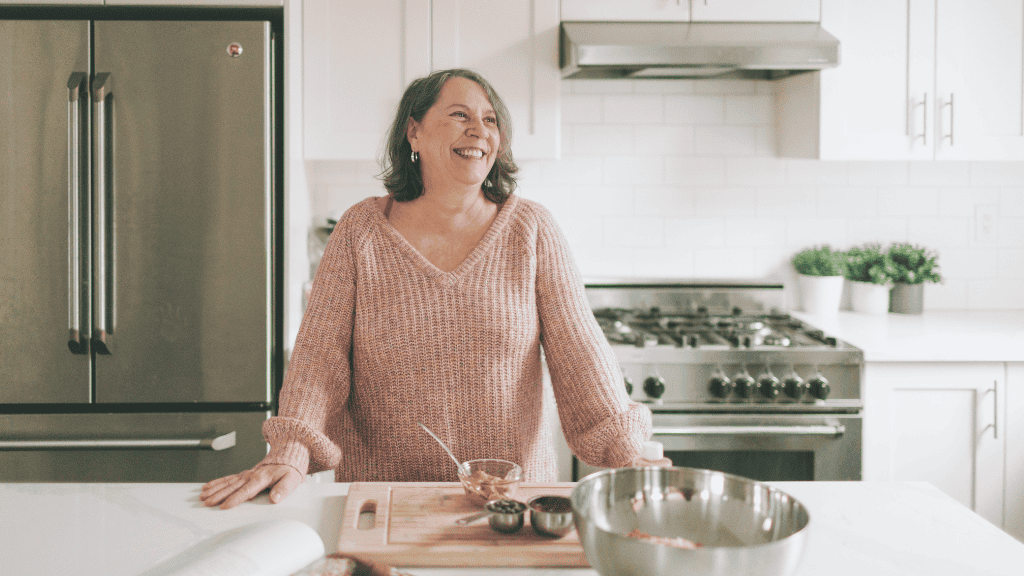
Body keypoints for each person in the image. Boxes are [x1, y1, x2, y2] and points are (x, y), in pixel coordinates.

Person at [200, 68, 663, 510]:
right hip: (385, 501)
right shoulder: (360, 229)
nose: (479, 131)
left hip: (507, 504)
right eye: (460, 115)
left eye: (490, 120)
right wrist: (292, 448)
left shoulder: (532, 229)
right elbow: (319, 358)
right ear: (414, 132)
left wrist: (627, 449)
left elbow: (579, 351)